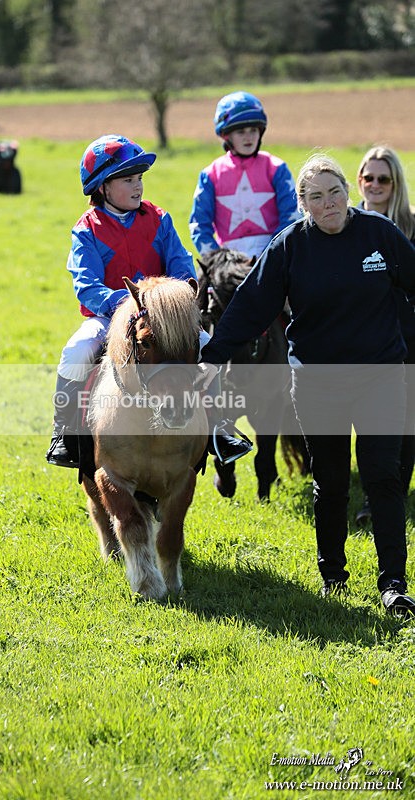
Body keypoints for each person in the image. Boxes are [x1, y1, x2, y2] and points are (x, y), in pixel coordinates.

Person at [198, 153, 415, 616]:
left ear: (348, 192)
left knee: (383, 477)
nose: (328, 203)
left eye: (335, 192)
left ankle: (394, 584)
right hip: (318, 383)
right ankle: (333, 575)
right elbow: (251, 307)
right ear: (303, 204)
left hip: (380, 377)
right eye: (316, 197)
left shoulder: (380, 235)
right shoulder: (290, 246)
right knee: (331, 482)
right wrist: (210, 358)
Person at [46, 134, 249, 469]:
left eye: (139, 178)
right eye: (128, 180)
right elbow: (87, 285)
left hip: (161, 317)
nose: (138, 186)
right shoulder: (86, 229)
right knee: (77, 350)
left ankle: (219, 428)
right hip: (108, 317)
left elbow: (181, 266)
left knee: (206, 344)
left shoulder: (159, 218)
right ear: (103, 187)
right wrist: (124, 304)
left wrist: (170, 300)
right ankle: (64, 433)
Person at [355, 146, 415, 526]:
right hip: (358, 342)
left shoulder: (412, 227)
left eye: (384, 179)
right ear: (359, 180)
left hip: (407, 342)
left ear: (396, 184)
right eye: (369, 177)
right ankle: (369, 494)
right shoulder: (346, 225)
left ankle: (382, 501)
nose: (375, 185)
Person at [189, 91, 299, 260]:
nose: (249, 137)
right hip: (228, 261)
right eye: (241, 132)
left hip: (276, 256)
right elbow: (199, 225)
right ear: (226, 135)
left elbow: (292, 217)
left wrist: (271, 255)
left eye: (253, 130)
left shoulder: (277, 168)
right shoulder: (210, 175)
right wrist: (218, 261)